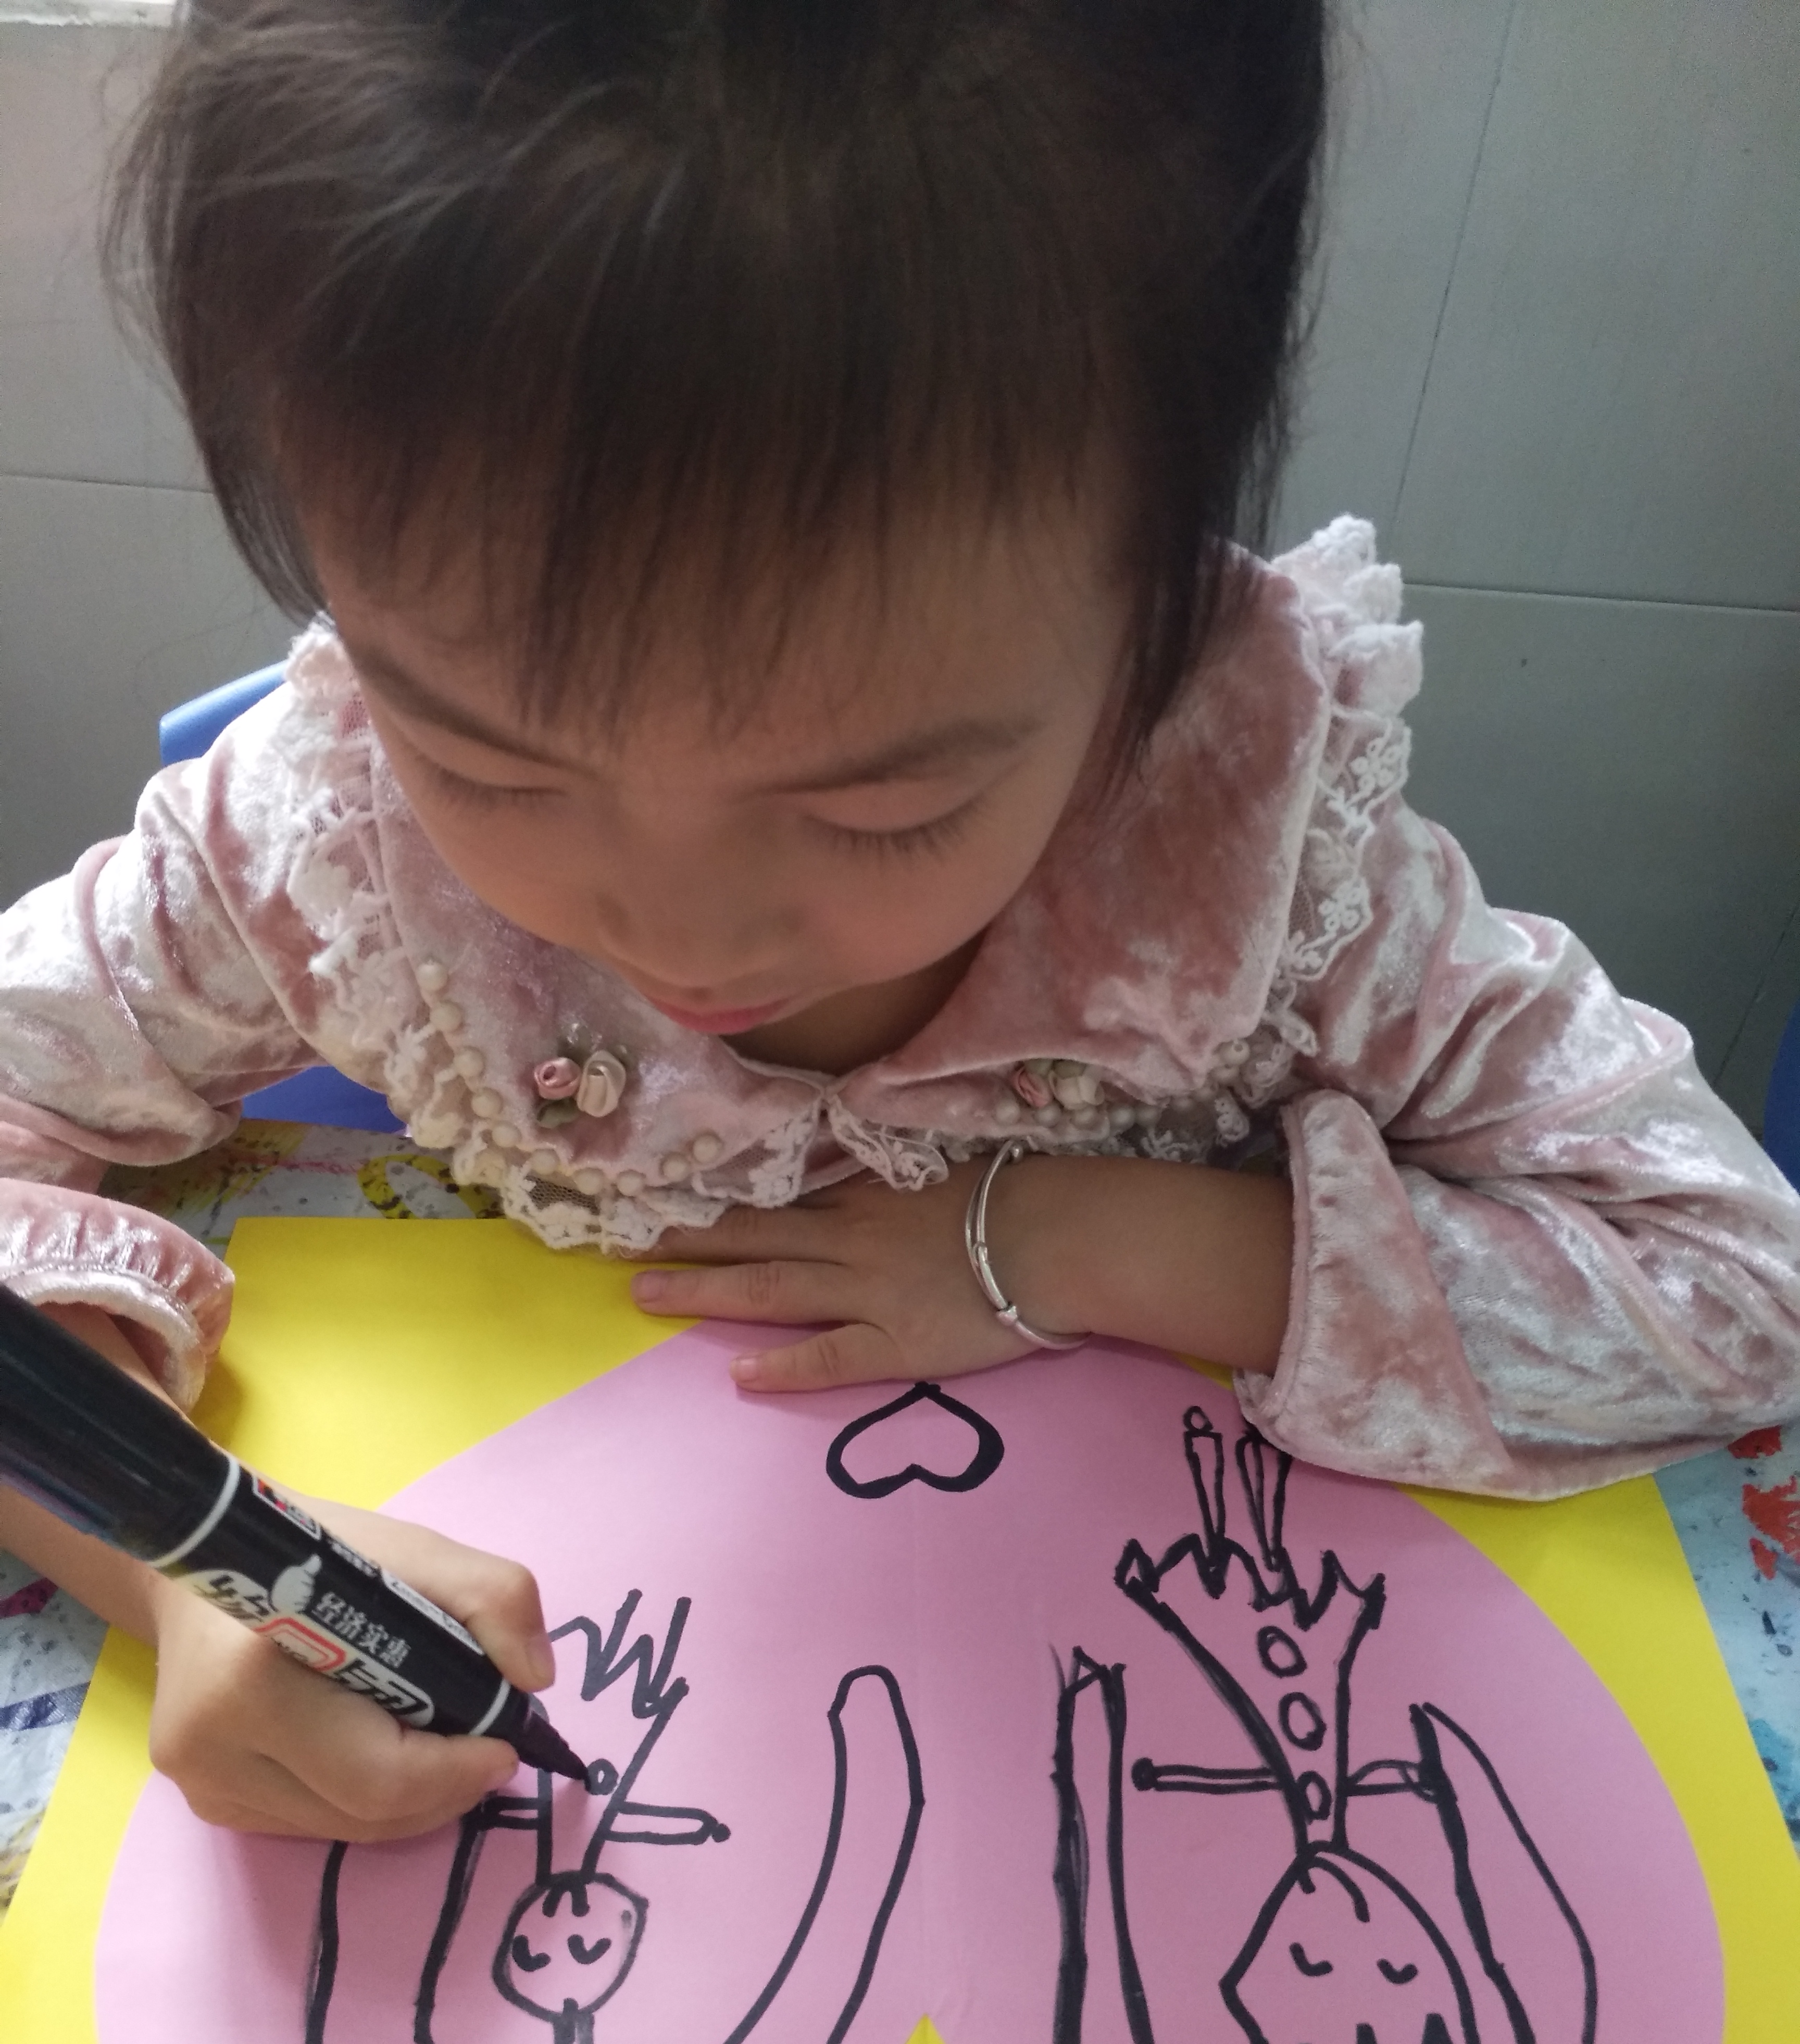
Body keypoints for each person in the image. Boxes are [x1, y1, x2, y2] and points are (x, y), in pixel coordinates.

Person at [3, 0, 1797, 1842]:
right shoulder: (310, 840)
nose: (678, 930)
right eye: (492, 768)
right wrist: (178, 1565)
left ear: (1156, 624)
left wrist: (1090, 1242)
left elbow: (1733, 1290)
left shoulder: (1253, 867)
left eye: (878, 808)